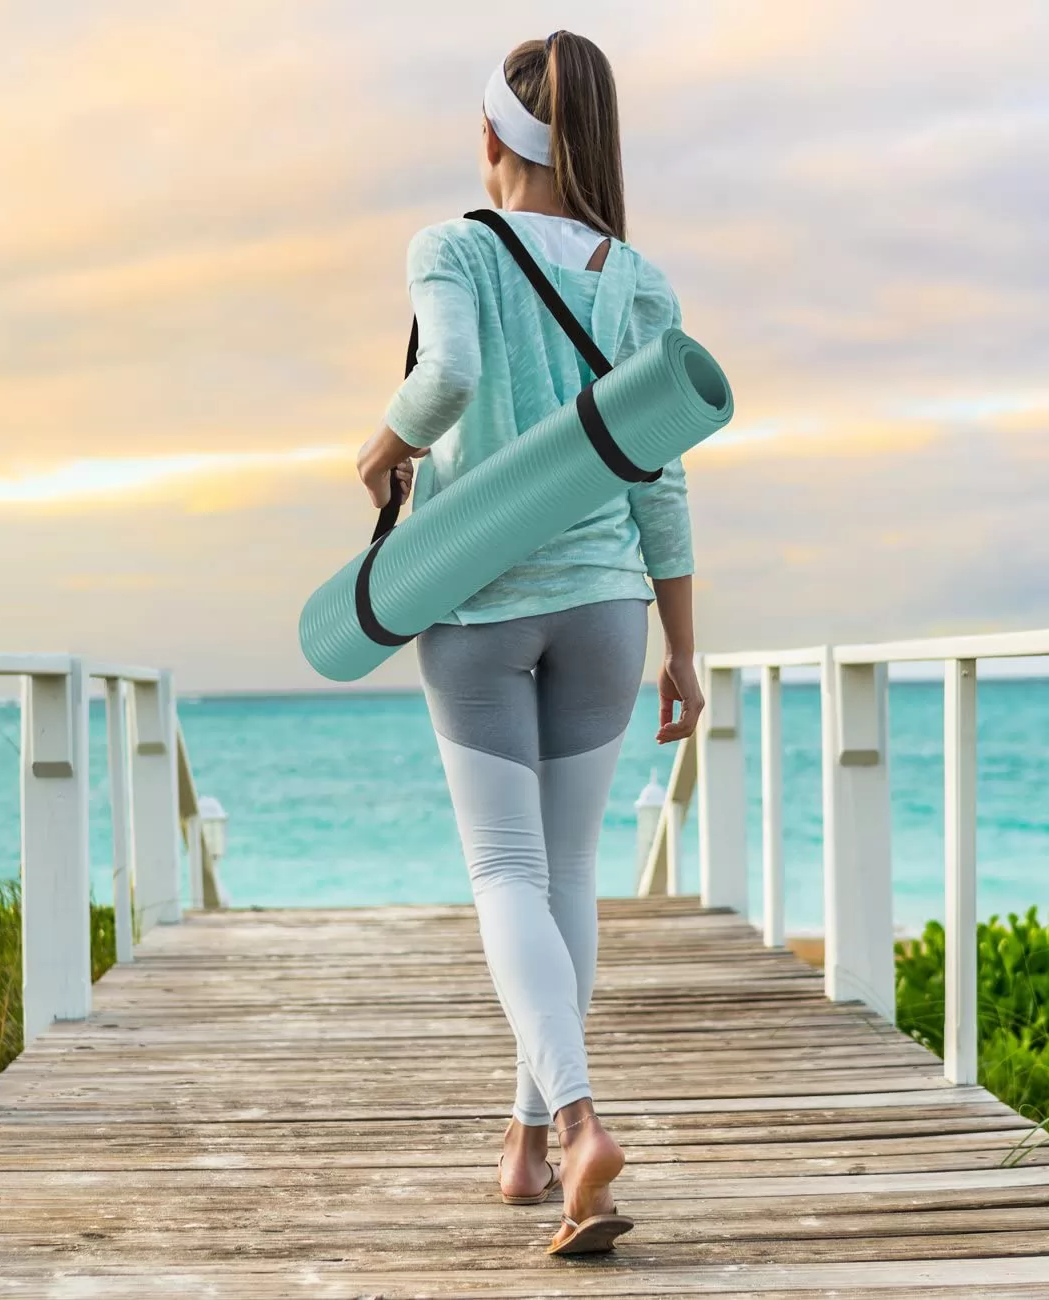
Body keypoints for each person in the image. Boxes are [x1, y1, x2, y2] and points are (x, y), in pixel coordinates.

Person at [355, 30, 703, 1256]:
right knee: (564, 881)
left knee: (506, 877)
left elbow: (443, 377)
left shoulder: (448, 246)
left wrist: (385, 445)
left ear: (492, 136)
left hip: (480, 601)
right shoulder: (638, 278)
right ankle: (522, 1148)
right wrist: (684, 649)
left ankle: (577, 1120)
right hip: (610, 606)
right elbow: (658, 481)